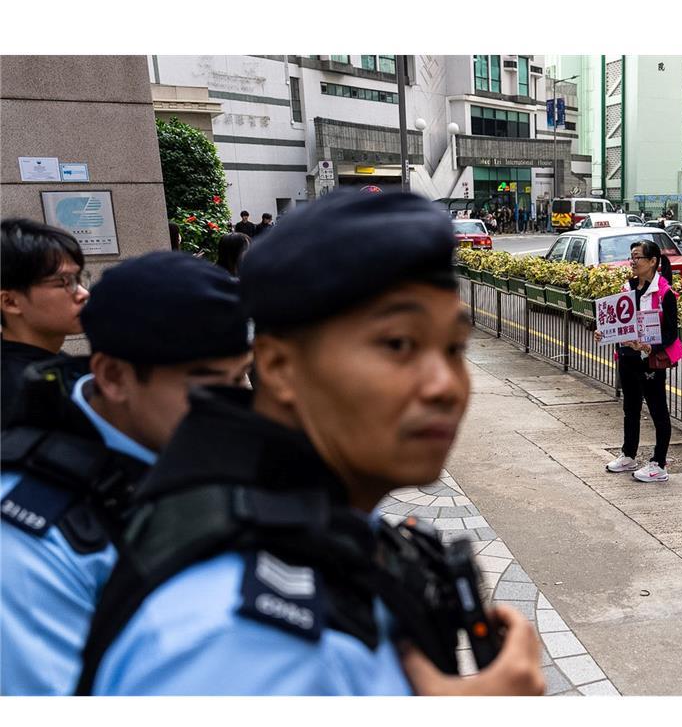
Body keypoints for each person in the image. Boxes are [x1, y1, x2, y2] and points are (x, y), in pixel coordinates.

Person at [80, 190, 544, 696]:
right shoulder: (236, 641)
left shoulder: (306, 524)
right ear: (279, 368)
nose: (444, 385)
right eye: (398, 344)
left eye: (454, 348)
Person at [1, 252, 252, 694]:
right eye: (212, 385)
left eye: (242, 379)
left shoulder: (198, 441)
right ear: (114, 377)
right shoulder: (24, 540)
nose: (239, 406)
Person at [594, 240, 682, 483]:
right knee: (630, 408)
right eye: (631, 257)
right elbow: (617, 321)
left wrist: (649, 346)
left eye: (638, 258)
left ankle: (659, 464)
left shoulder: (665, 293)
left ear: (653, 261)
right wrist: (603, 331)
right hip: (627, 357)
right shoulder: (627, 288)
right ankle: (629, 454)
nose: (633, 262)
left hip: (650, 361)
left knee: (657, 410)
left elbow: (671, 334)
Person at [1, 219, 91, 429]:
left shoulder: (54, 362)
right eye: (64, 282)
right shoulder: (18, 392)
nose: (83, 293)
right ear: (10, 302)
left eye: (78, 279)